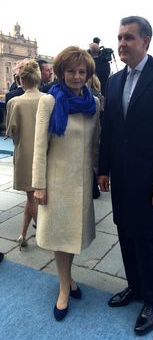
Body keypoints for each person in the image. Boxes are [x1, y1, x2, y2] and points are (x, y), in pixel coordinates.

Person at [98, 16, 153, 336]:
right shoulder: (114, 81)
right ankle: (134, 287)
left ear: (146, 41)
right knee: (125, 233)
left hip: (151, 181)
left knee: (147, 239)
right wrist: (103, 168)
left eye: (129, 38)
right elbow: (110, 129)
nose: (122, 43)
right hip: (121, 177)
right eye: (120, 37)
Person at [32, 46, 100, 321]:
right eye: (71, 71)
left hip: (82, 182)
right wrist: (39, 184)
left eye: (81, 71)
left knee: (72, 238)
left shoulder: (93, 103)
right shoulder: (49, 101)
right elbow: (39, 147)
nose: (76, 76)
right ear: (61, 72)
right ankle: (64, 287)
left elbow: (96, 143)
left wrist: (100, 173)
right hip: (57, 181)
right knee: (61, 237)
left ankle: (69, 278)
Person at [6, 59, 44, 250]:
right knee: (32, 198)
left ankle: (40, 234)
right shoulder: (48, 99)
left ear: (21, 79)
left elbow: (12, 130)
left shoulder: (15, 102)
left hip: (24, 153)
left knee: (31, 197)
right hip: (44, 153)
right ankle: (23, 234)